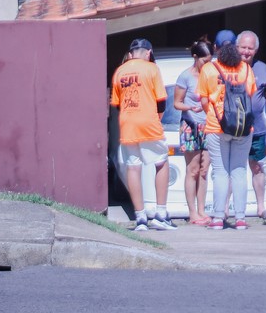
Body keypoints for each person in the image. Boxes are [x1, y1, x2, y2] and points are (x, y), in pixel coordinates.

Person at [110, 38, 174, 231]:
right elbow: (161, 101)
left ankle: (140, 218)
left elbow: (117, 104)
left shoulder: (119, 71)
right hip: (148, 123)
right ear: (148, 53)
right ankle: (160, 214)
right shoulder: (152, 68)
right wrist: (156, 118)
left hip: (128, 124)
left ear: (131, 54)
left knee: (133, 167)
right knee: (161, 162)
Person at [198, 42, 257, 230]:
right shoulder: (245, 69)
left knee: (220, 172)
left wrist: (214, 115)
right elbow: (251, 95)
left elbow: (204, 100)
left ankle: (217, 218)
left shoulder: (209, 69)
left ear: (218, 51)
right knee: (239, 170)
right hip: (243, 127)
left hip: (217, 126)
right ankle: (240, 218)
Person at [237, 30, 266, 222]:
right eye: (243, 47)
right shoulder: (228, 68)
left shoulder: (262, 68)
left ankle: (261, 207)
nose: (246, 51)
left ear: (256, 50)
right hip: (235, 128)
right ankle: (228, 209)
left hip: (258, 128)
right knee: (233, 169)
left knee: (257, 167)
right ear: (236, 47)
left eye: (250, 48)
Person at [173, 38, 214, 226]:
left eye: (210, 60)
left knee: (205, 169)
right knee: (193, 169)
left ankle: (202, 210)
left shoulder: (211, 74)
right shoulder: (185, 77)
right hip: (190, 125)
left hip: (209, 125)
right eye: (205, 60)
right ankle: (192, 213)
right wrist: (190, 107)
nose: (208, 64)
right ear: (195, 57)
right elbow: (177, 103)